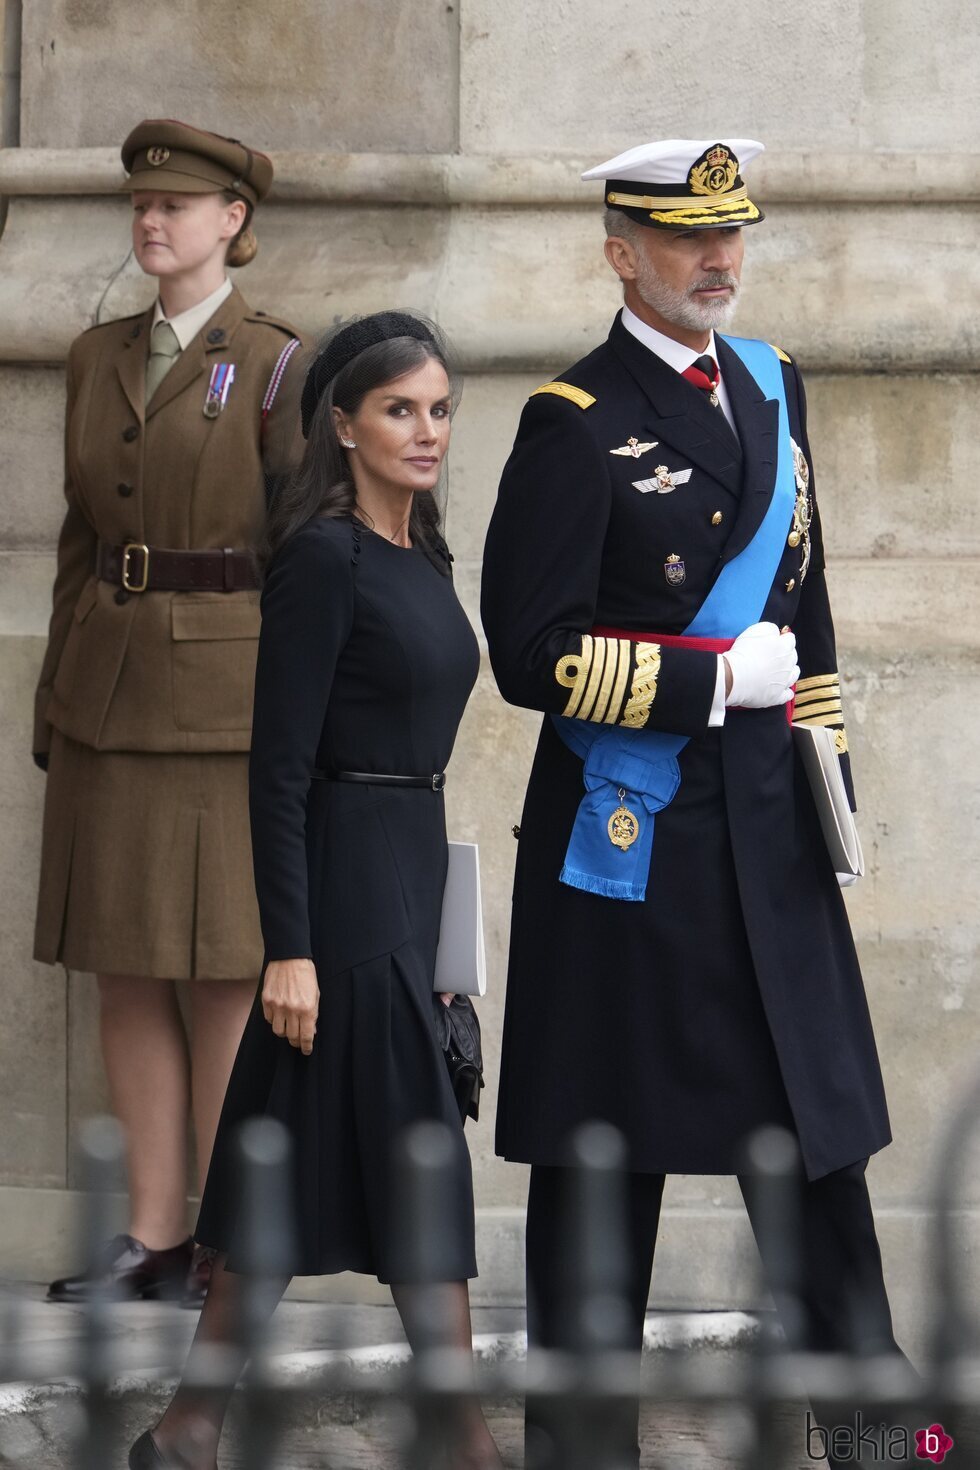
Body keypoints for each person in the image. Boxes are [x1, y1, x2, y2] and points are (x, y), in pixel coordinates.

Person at [481, 138, 912, 1466]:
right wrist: (707, 680)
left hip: (768, 843)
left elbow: (813, 622)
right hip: (635, 849)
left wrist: (831, 802)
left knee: (819, 1154)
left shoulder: (774, 391)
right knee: (608, 1166)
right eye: (684, 239)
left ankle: (897, 1440)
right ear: (623, 251)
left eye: (731, 235)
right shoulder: (570, 420)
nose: (717, 260)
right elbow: (530, 652)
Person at [129, 312, 503, 1470]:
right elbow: (278, 767)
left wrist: (445, 951)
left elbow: (419, 762)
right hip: (337, 901)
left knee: (291, 1157)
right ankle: (463, 1442)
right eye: (399, 409)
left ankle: (188, 1430)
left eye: (439, 408)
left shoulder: (422, 551)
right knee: (417, 1158)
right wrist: (284, 948)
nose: (426, 430)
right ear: (341, 424)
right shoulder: (323, 558)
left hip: (403, 874)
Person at [34, 119, 306, 1306]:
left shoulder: (282, 362)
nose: (154, 224)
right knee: (124, 968)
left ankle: (222, 1239)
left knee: (221, 975)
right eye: (143, 208)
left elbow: (309, 555)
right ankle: (147, 1236)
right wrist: (56, 692)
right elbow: (80, 540)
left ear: (231, 223)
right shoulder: (97, 356)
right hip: (108, 690)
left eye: (179, 208)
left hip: (226, 702)